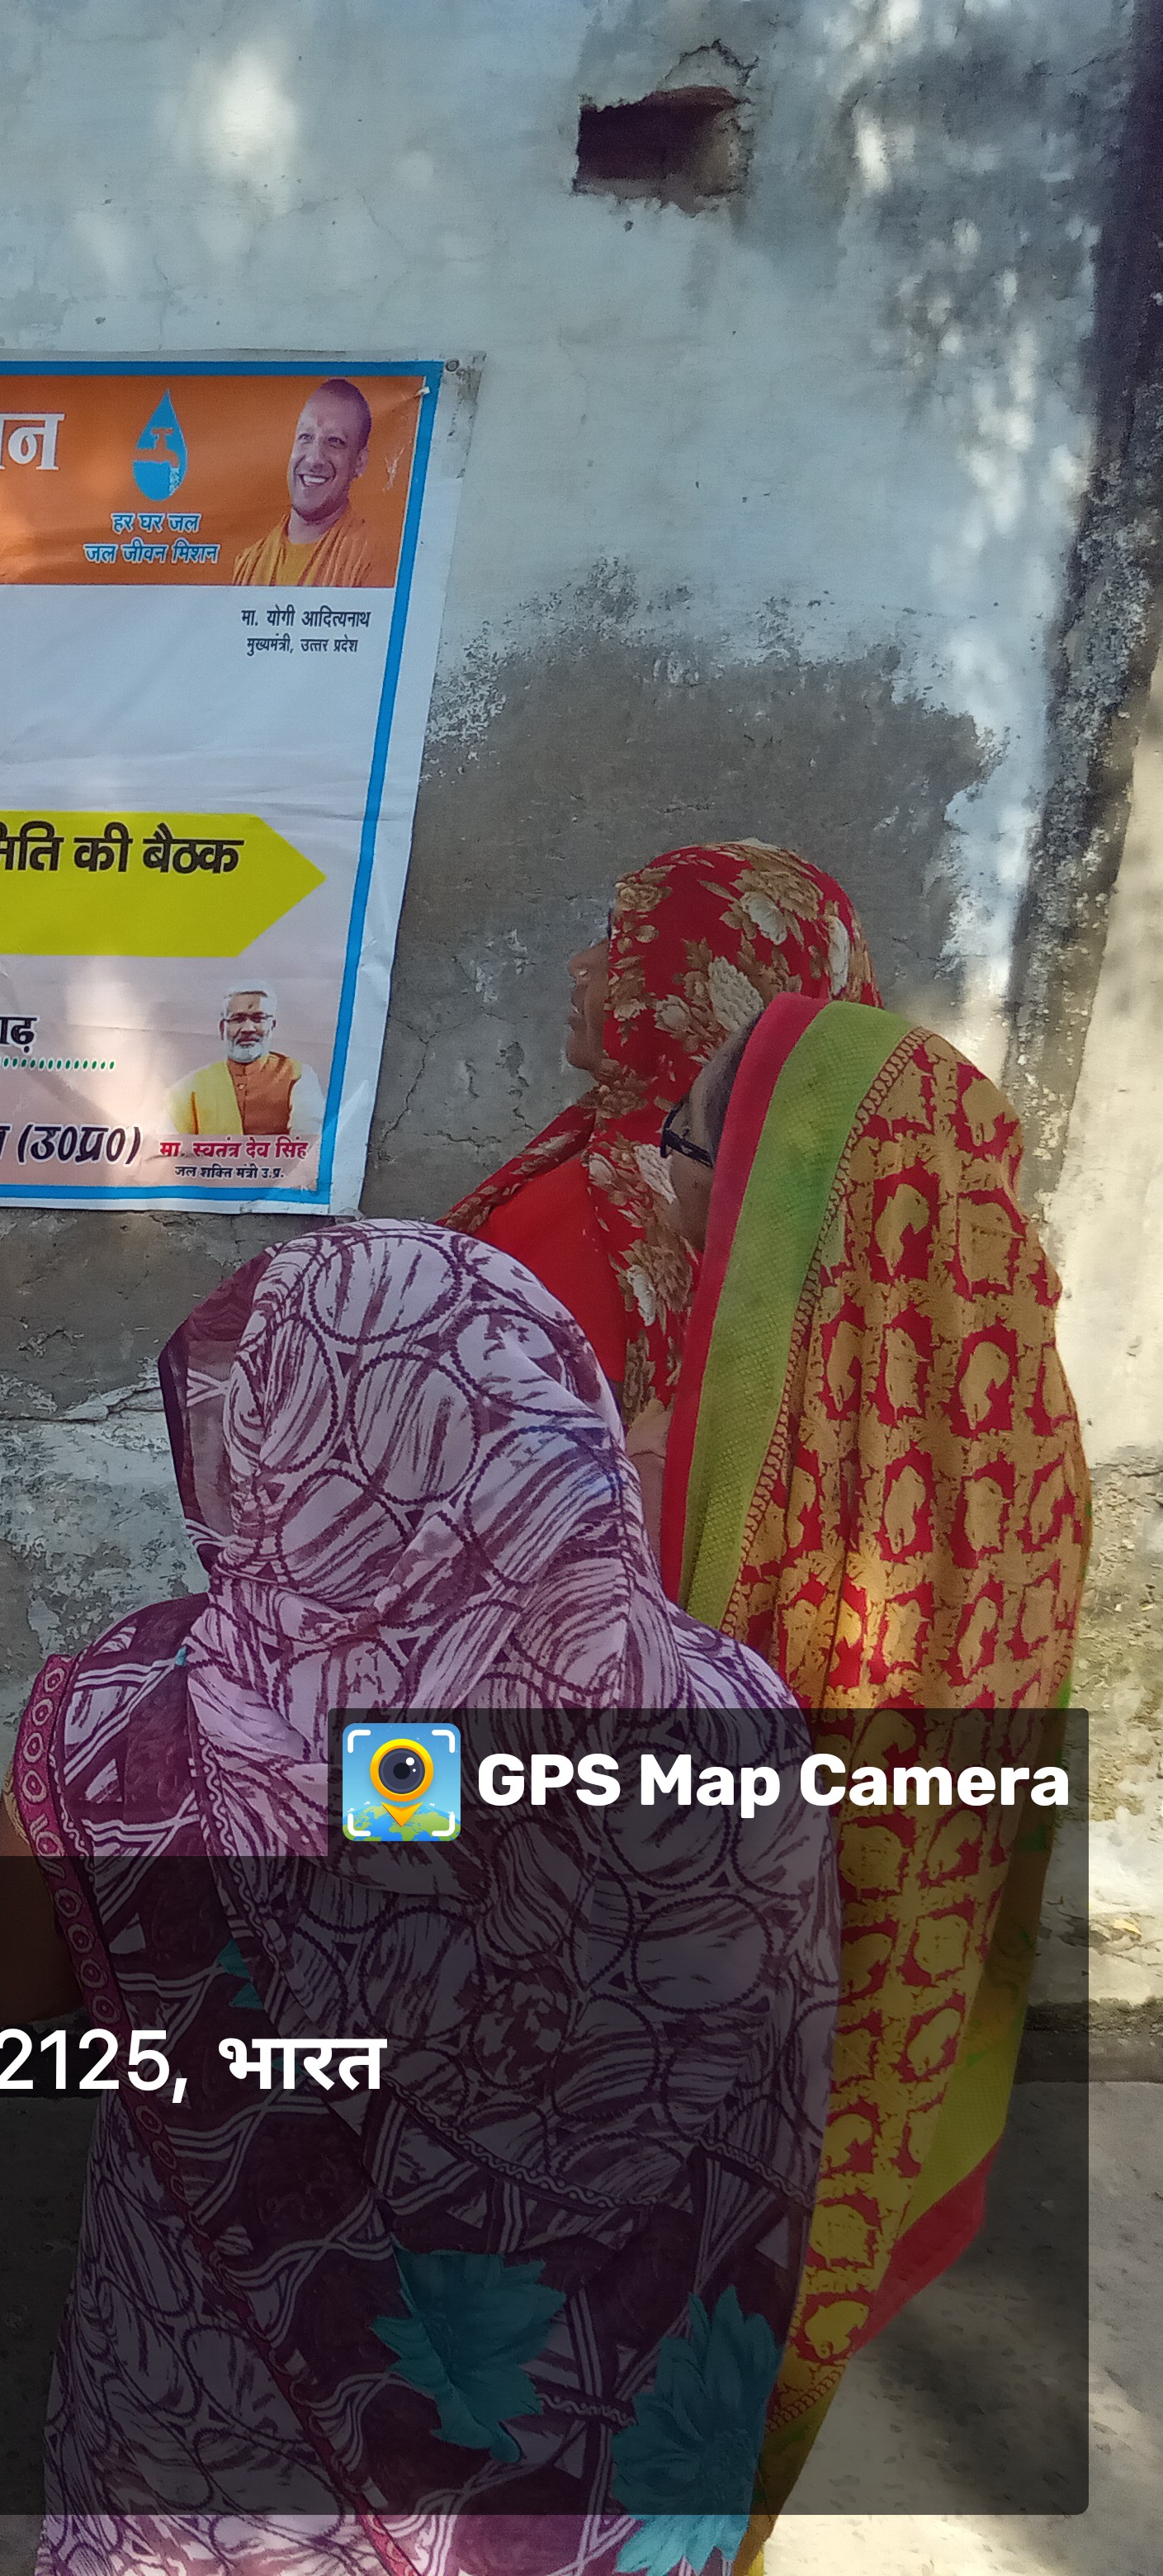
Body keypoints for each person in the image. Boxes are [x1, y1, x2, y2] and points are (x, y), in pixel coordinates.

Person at [0, 1221, 837, 2576]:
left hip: (225, 2459)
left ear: (279, 1446)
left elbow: (7, 2012)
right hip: (600, 2467)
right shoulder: (737, 1714)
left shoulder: (127, 1724)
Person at [654, 994, 1088, 2536]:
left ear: (774, 1191)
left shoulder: (737, 1469)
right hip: (888, 2000)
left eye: (681, 1139)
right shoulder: (1020, 1433)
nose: (659, 1168)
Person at [447, 841, 877, 1410]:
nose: (582, 963)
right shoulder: (847, 1218)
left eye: (623, 944)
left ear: (699, 992)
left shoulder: (595, 1212)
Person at [225, 378, 386, 586]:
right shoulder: (249, 563)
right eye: (305, 437)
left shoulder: (370, 557)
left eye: (335, 441)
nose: (313, 459)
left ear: (360, 462)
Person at [164, 985, 323, 1138]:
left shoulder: (297, 1076)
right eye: (238, 1019)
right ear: (222, 1028)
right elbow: (168, 1145)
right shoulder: (190, 1087)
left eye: (258, 1018)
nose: (248, 1029)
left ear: (272, 1026)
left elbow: (308, 1142)